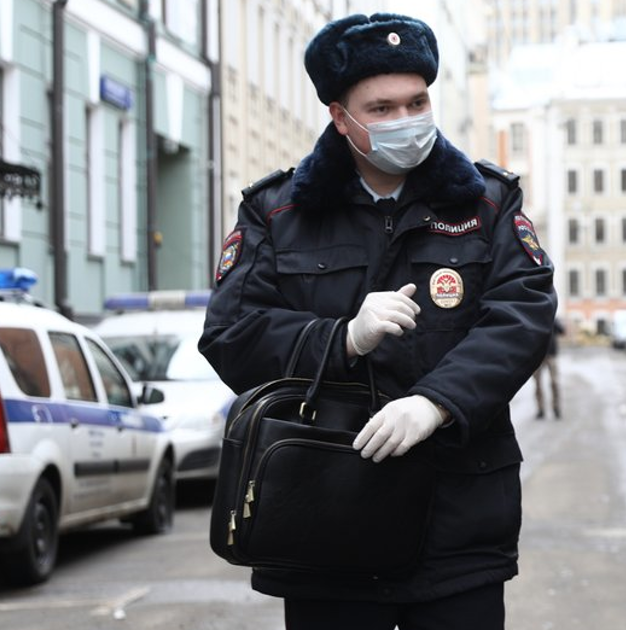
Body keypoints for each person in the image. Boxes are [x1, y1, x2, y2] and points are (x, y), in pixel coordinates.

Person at [199, 12, 556, 630]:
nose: (405, 120)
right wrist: (339, 339)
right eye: (382, 109)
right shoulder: (278, 212)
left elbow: (521, 315)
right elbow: (232, 334)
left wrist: (437, 403)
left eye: (417, 102)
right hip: (326, 517)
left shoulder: (486, 202)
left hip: (457, 522)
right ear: (342, 118)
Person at [534, 317, 565, 419]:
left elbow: (562, 331)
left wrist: (552, 319)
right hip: (537, 356)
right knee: (538, 384)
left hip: (551, 355)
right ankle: (540, 409)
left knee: (554, 382)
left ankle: (556, 408)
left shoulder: (553, 318)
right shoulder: (534, 318)